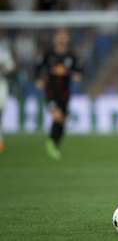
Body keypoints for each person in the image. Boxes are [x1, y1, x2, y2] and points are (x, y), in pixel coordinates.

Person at [35, 28, 83, 160]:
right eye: (58, 35)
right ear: (54, 38)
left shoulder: (71, 57)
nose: (61, 38)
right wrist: (38, 79)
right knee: (57, 117)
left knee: (63, 121)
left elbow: (79, 70)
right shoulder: (48, 55)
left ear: (67, 38)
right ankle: (50, 143)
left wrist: (77, 75)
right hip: (51, 92)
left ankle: (54, 145)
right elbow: (38, 67)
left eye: (63, 35)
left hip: (65, 94)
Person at [0, 30, 16, 153]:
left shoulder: (4, 51)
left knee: (0, 111)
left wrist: (3, 68)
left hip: (1, 83)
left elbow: (12, 69)